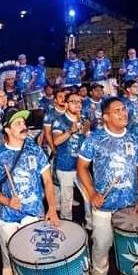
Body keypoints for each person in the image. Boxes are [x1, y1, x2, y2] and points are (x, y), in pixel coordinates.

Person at [77, 97, 138, 275]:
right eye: (117, 110)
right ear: (105, 117)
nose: (123, 113)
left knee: (129, 245)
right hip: (104, 206)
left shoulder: (135, 139)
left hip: (130, 206)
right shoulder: (94, 139)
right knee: (102, 245)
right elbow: (82, 167)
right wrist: (92, 192)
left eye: (124, 109)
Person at [0, 109, 58, 275]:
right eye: (17, 123)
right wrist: (8, 201)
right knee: (9, 261)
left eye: (23, 122)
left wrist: (52, 208)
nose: (23, 125)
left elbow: (47, 182)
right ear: (7, 129)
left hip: (34, 214)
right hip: (8, 217)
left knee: (36, 258)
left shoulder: (35, 150)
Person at [52, 92, 90, 222]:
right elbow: (56, 141)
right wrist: (70, 131)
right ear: (66, 104)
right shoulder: (59, 120)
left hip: (82, 166)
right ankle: (66, 223)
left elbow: (88, 139)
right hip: (65, 166)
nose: (78, 104)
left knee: (88, 195)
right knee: (66, 199)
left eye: (80, 102)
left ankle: (90, 224)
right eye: (74, 102)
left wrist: (86, 129)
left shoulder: (84, 119)